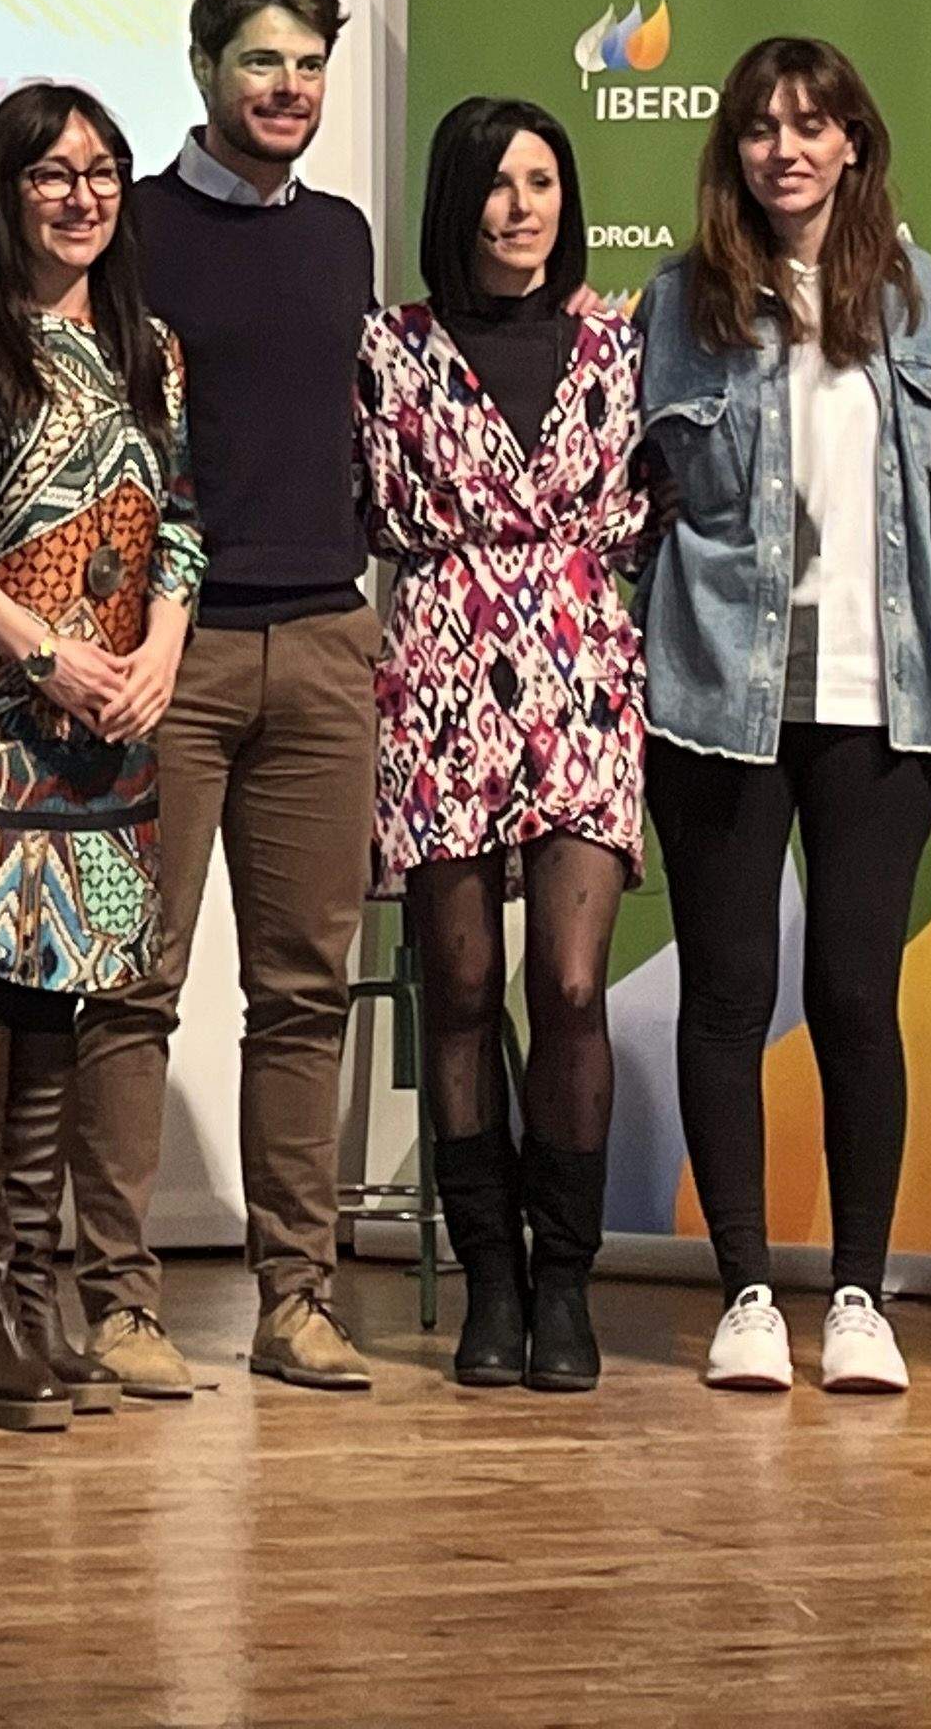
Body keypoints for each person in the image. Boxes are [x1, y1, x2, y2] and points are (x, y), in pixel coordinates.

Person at [73, 0, 381, 1399]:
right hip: (166, 653)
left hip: (325, 642)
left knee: (305, 994)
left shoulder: (342, 236)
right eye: (263, 61)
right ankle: (116, 1303)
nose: (290, 89)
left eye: (310, 65)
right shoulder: (129, 230)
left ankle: (296, 1300)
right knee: (134, 984)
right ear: (203, 70)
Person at [0, 84, 202, 1434]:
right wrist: (45, 654)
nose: (82, 196)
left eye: (103, 171)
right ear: (3, 190)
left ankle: (29, 1294)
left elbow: (180, 522)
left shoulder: (148, 343)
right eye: (53, 173)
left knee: (59, 996)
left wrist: (162, 647)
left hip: (104, 726)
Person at [635, 35, 931, 1400]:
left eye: (813, 124)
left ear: (854, 143)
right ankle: (748, 1293)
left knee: (856, 999)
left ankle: (863, 1298)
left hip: (882, 700)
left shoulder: (919, 294)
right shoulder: (681, 300)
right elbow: (636, 495)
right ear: (736, 151)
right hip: (719, 693)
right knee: (726, 995)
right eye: (763, 127)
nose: (787, 149)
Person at [356, 96, 650, 1395]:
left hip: (583, 669)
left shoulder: (621, 346)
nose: (520, 206)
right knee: (464, 990)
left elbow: (658, 507)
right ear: (455, 201)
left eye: (542, 180)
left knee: (572, 986)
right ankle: (491, 1281)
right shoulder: (389, 346)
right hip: (440, 668)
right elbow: (363, 508)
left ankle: (566, 1283)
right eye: (495, 182)